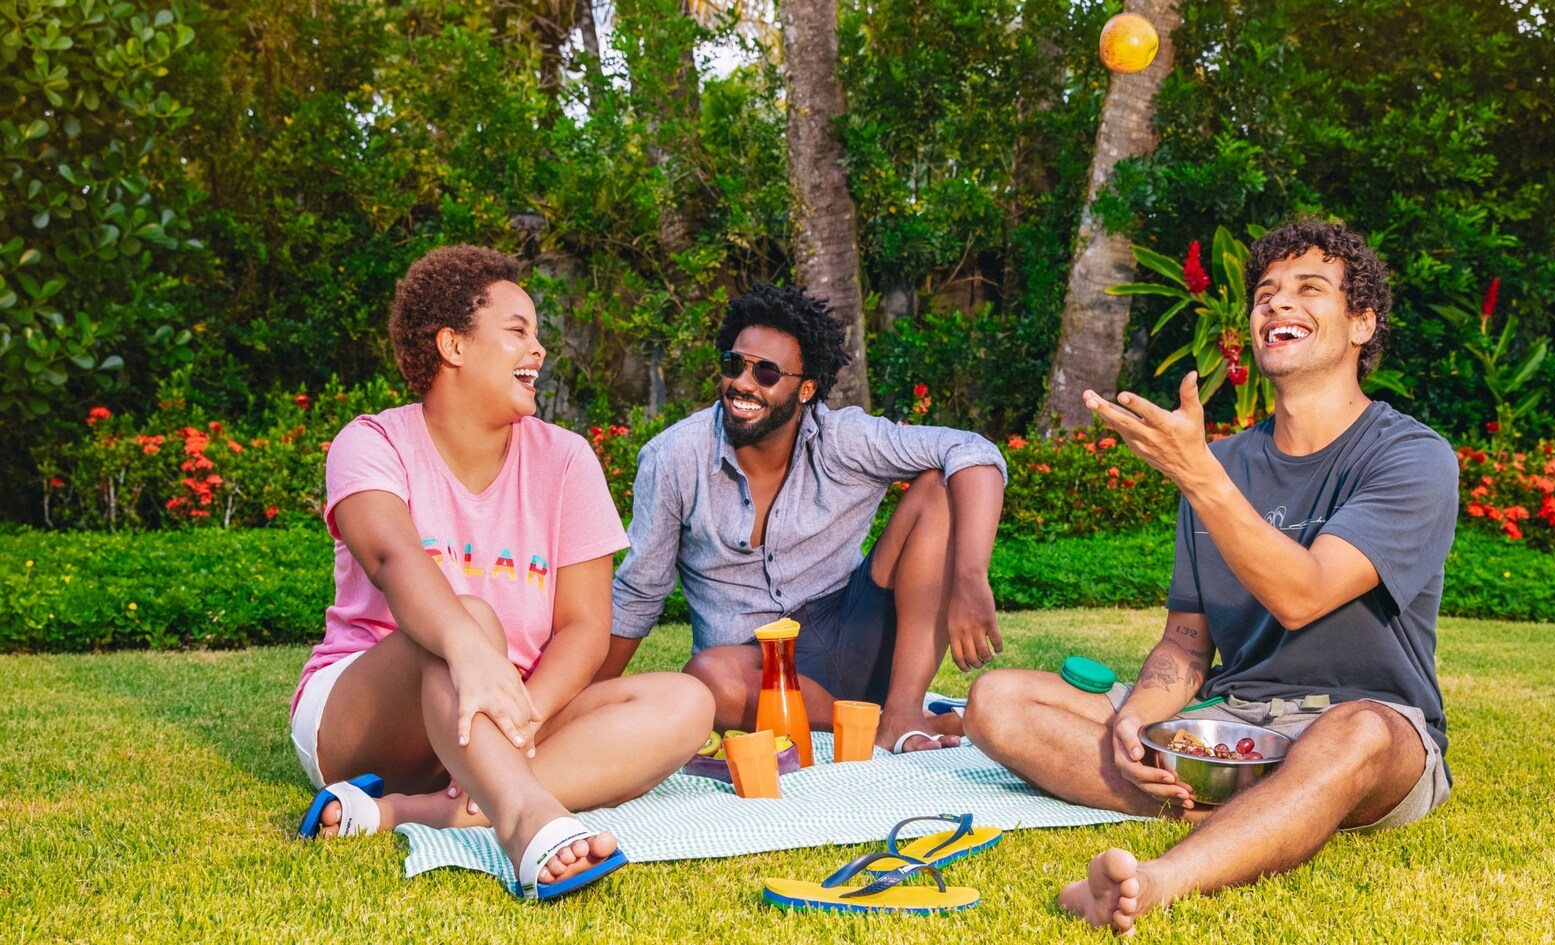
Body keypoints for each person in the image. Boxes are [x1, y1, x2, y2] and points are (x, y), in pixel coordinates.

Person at [964, 221, 1458, 934]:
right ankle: (1267, 813)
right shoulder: (1221, 463)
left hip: (1370, 726)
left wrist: (1197, 474)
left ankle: (1160, 880)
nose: (1277, 304)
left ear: (1362, 323)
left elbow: (1303, 594)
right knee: (997, 700)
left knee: (1355, 735)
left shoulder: (1411, 456)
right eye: (1265, 293)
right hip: (1230, 729)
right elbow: (1187, 645)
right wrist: (1136, 718)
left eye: (1309, 288)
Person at [289, 245, 714, 900]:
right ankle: (524, 821)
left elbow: (584, 628)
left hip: (511, 713)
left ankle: (410, 810)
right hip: (370, 716)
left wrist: (525, 720)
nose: (538, 349)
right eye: (517, 330)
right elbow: (394, 560)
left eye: (537, 335)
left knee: (687, 703)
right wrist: (471, 651)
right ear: (453, 344)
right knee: (468, 620)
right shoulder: (372, 442)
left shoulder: (566, 460)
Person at [603, 284, 1008, 753]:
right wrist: (580, 703)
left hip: (858, 633)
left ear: (807, 388)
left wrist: (970, 579)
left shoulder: (844, 439)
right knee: (705, 680)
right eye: (734, 365)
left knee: (938, 487)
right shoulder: (674, 457)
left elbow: (973, 451)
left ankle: (903, 708)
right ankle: (883, 723)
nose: (743, 384)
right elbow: (639, 594)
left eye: (767, 372)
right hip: (754, 671)